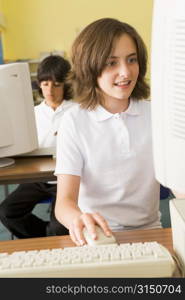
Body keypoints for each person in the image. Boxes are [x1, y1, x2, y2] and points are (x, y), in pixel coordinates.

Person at [54, 18, 162, 246]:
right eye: (111, 63)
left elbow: (179, 188)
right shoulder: (74, 121)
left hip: (151, 233)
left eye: (132, 60)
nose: (125, 72)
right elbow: (64, 203)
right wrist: (78, 218)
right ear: (90, 67)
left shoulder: (156, 114)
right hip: (98, 236)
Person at [0, 55, 74, 238]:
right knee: (7, 212)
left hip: (66, 179)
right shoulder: (31, 113)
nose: (50, 90)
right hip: (38, 178)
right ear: (39, 84)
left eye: (56, 84)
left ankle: (54, 234)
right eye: (45, 84)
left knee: (60, 226)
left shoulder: (77, 111)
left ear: (66, 86)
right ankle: (45, 236)